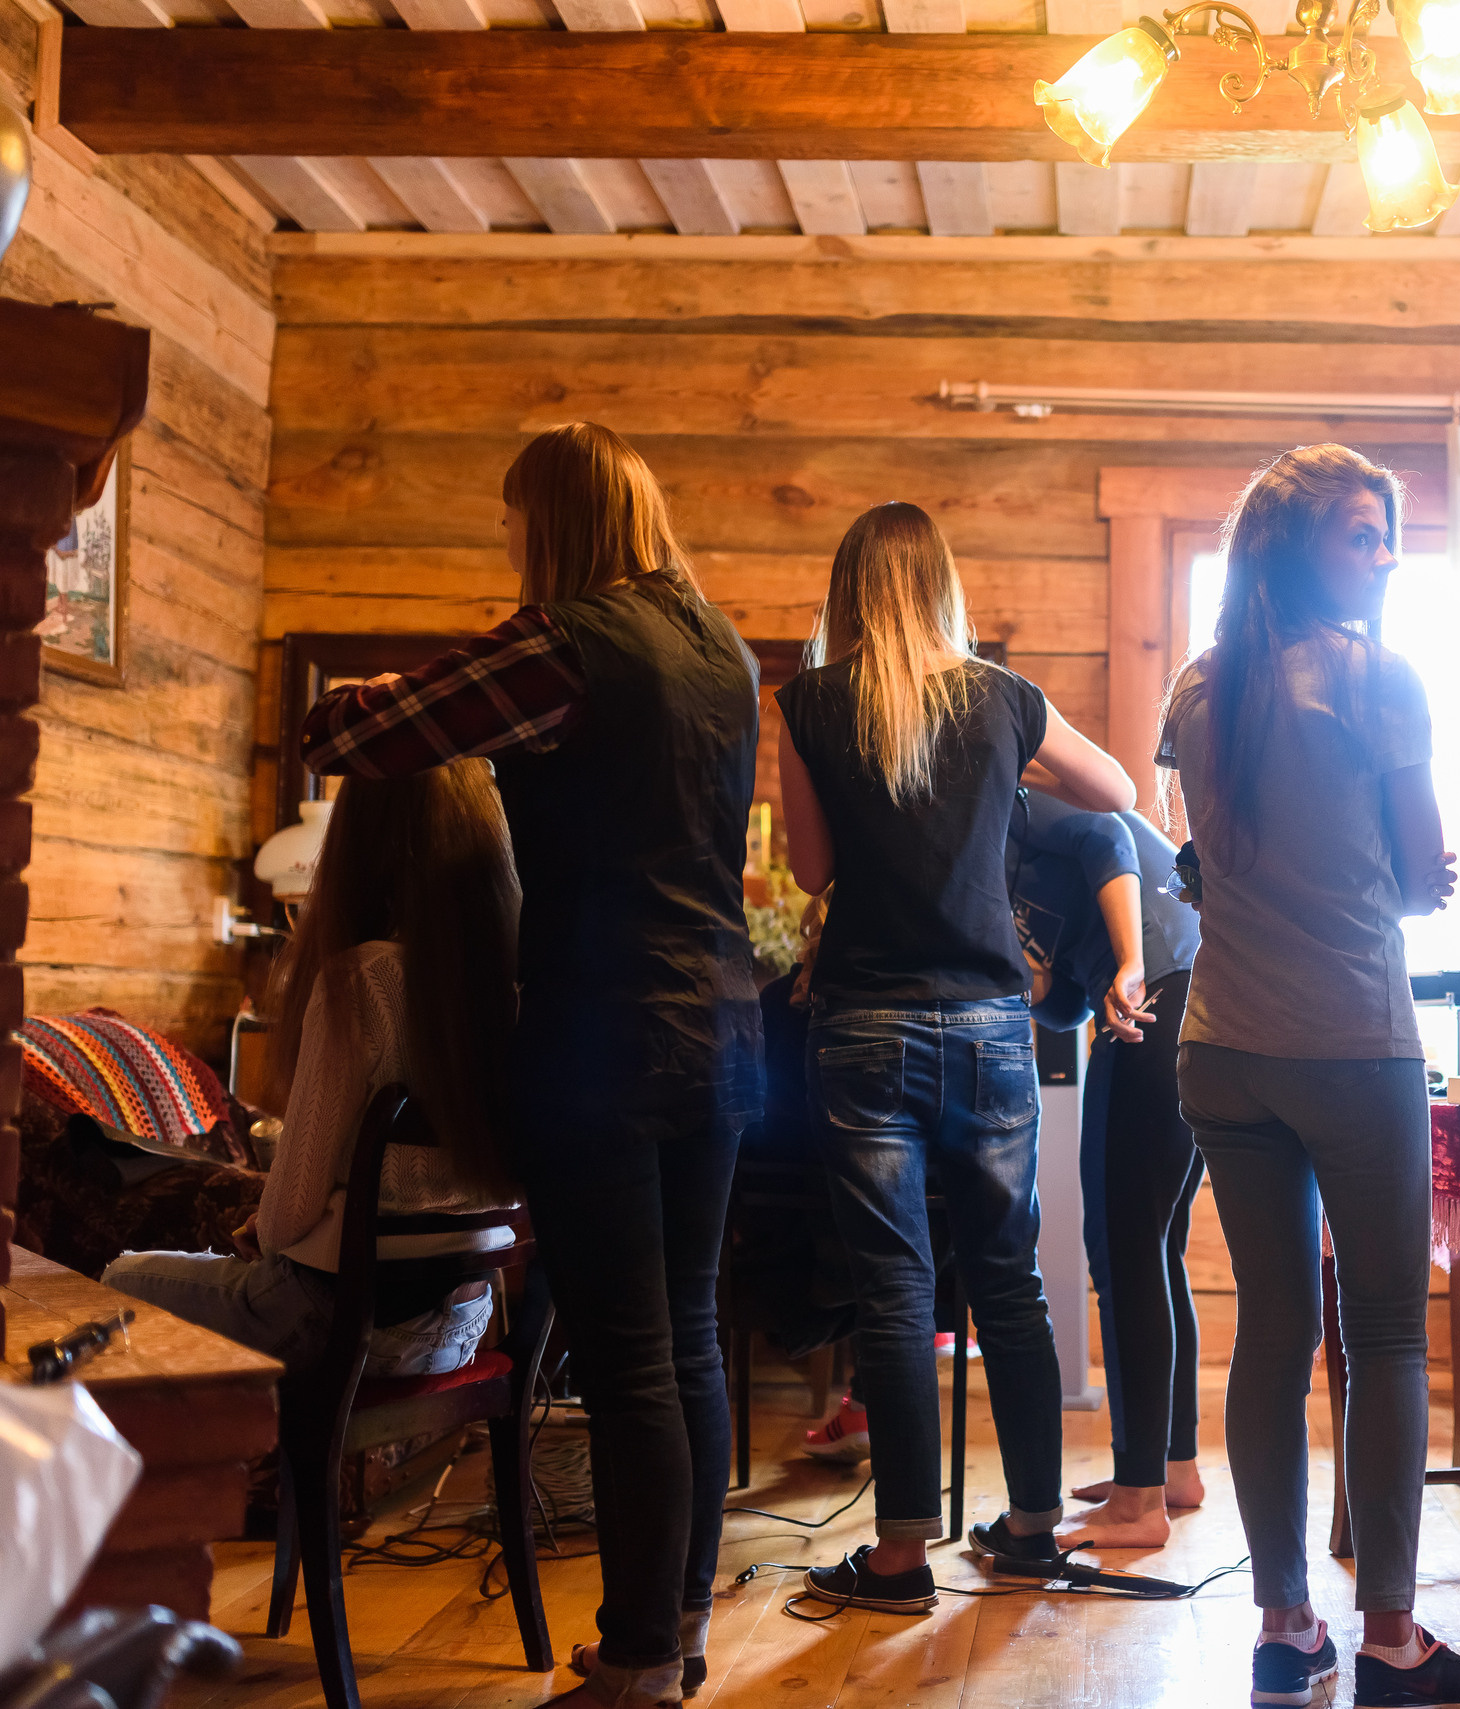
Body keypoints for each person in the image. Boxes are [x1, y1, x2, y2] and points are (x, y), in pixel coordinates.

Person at [301, 423, 761, 1708]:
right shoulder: (720, 646)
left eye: (513, 522)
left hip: (603, 1033)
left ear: (552, 521)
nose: (509, 545)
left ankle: (633, 1662)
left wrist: (352, 696)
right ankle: (675, 1631)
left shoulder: (567, 641)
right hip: (722, 1031)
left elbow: (368, 740)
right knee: (686, 1342)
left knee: (624, 1357)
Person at [1156, 443, 1460, 1709]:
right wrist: (1420, 876)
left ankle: (1285, 1626)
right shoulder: (1373, 680)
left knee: (1271, 1333)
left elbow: (1200, 866)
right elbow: (1416, 878)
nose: (1385, 556)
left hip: (1223, 1051)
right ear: (1302, 547)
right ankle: (1395, 1642)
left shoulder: (1199, 687)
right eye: (1364, 534)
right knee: (1390, 1337)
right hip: (1352, 1041)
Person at [776, 500, 1135, 1612]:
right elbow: (1117, 791)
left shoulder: (805, 703)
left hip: (867, 1024)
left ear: (846, 593)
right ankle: (1029, 1529)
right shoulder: (1002, 699)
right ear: (942, 587)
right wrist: (1002, 779)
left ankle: (896, 1558)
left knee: (893, 1292)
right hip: (988, 1024)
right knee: (1008, 1281)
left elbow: (808, 869)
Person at [102, 760, 519, 1378]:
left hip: (346, 1323)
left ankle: (202, 1471)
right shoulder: (512, 987)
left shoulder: (365, 979)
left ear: (361, 842)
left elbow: (288, 1212)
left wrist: (272, 1230)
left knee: (117, 1280)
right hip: (466, 1326)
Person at [1005, 790, 1207, 1549]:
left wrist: (1125, 961)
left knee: (1122, 1248)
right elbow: (1062, 1011)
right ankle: (1171, 1466)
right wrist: (1033, 979)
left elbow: (1106, 834)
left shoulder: (1009, 809)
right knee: (1156, 1246)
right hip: (1158, 988)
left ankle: (1137, 1500)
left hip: (1160, 986)